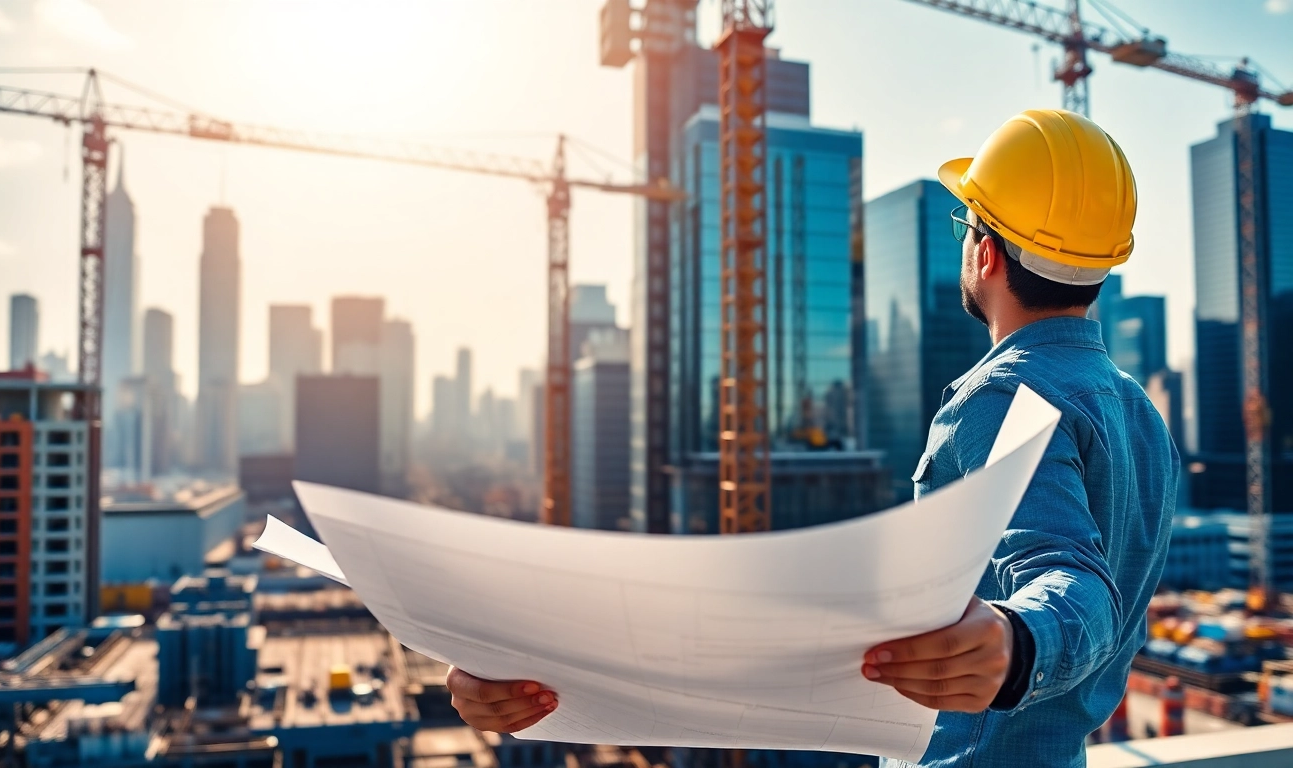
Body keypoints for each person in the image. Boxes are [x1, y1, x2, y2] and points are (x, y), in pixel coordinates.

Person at [444, 109, 1179, 768]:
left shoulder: (1001, 397)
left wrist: (1021, 646)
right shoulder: (1141, 415)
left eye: (966, 224)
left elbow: (1072, 578)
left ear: (985, 252)